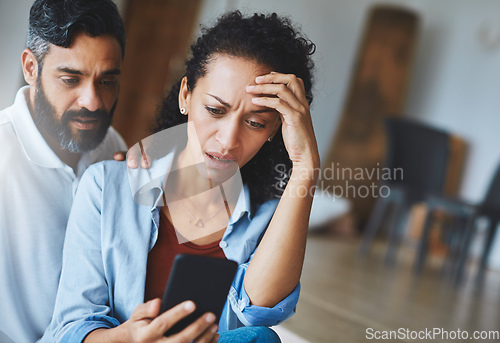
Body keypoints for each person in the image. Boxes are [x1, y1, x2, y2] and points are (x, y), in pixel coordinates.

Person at [43, 10, 319, 343]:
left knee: (262, 338)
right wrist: (129, 339)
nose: (228, 140)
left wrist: (305, 168)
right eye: (215, 110)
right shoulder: (106, 186)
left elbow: (261, 310)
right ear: (186, 95)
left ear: (275, 128)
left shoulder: (267, 219)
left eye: (256, 122)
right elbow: (69, 330)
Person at [0, 0, 129, 341]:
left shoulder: (112, 145)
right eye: (71, 79)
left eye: (107, 81)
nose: (93, 102)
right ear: (31, 67)